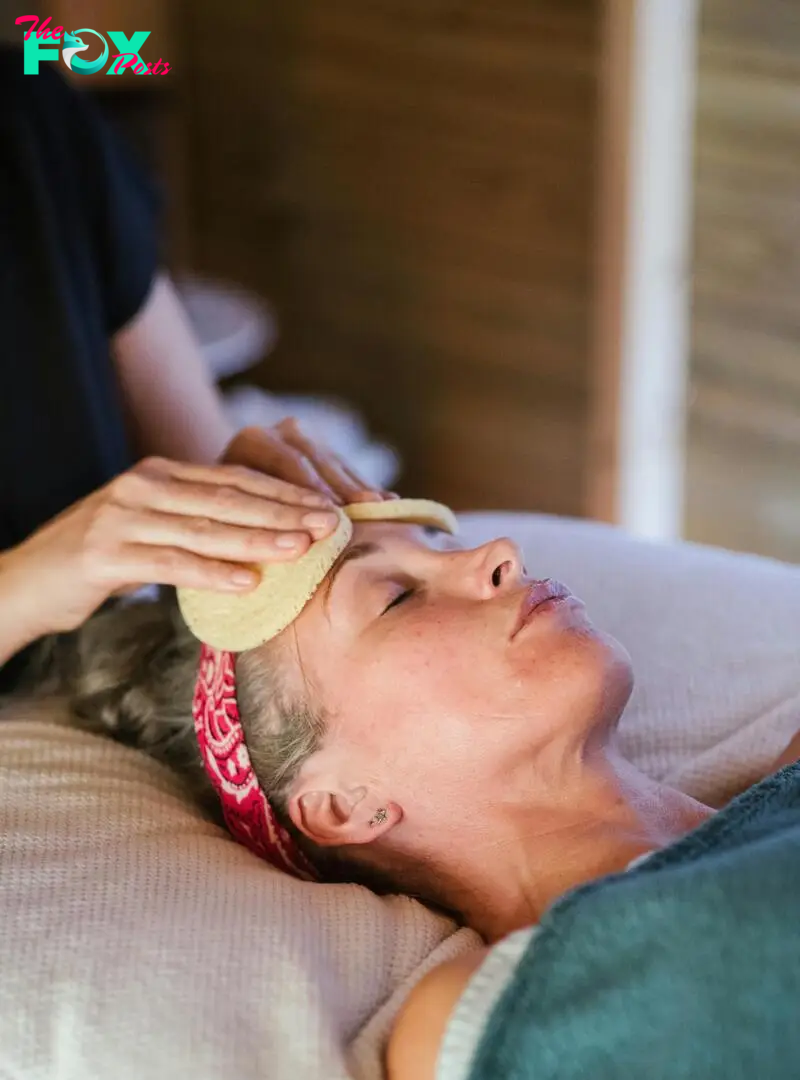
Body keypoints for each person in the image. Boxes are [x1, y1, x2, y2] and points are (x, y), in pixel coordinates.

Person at [0, 44, 386, 693]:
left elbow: (207, 462)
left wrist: (250, 496)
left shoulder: (27, 114)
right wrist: (26, 584)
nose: (503, 557)